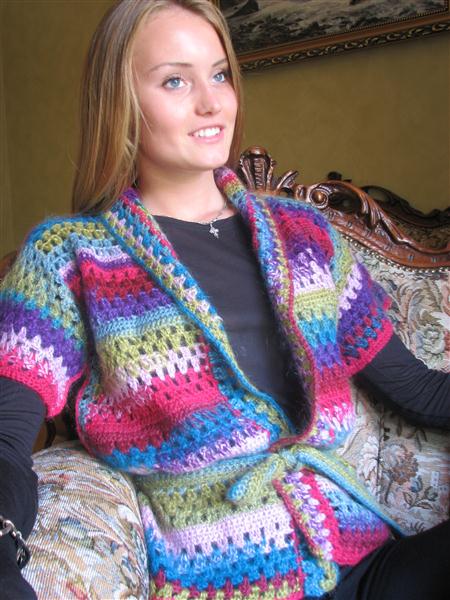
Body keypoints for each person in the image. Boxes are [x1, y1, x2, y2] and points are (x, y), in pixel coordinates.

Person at [0, 1, 449, 599]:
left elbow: (417, 388)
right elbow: (7, 435)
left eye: (219, 74)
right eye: (175, 81)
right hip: (231, 575)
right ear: (121, 102)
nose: (212, 103)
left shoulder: (305, 238)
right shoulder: (72, 258)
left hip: (367, 561)